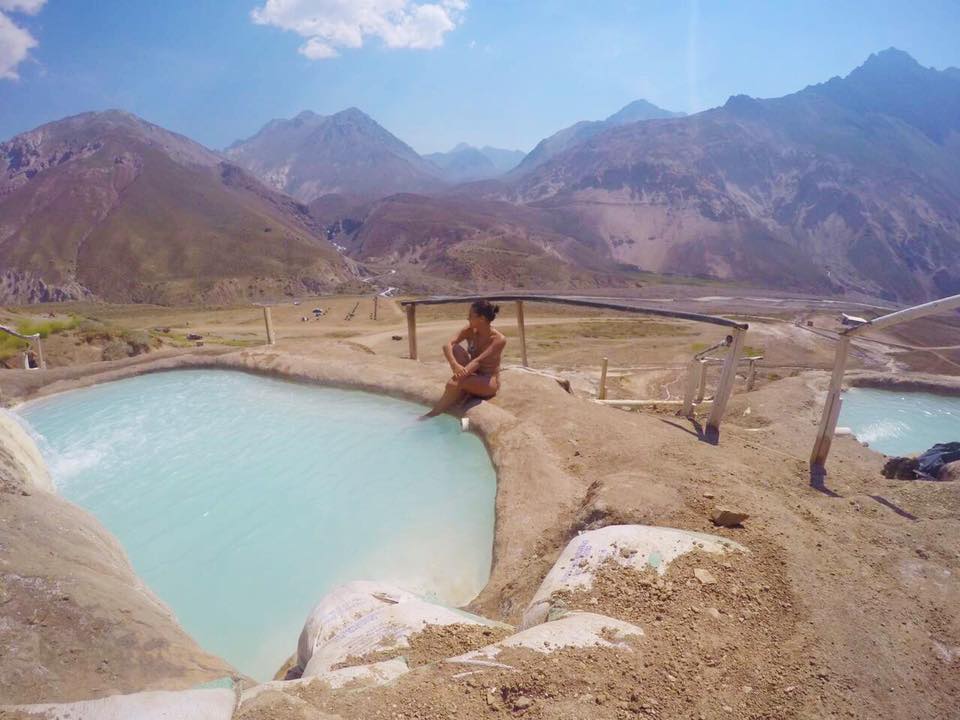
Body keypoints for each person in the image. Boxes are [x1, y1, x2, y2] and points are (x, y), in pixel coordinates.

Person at [421, 299, 507, 419]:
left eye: (471, 316)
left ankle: (432, 414)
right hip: (473, 371)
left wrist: (459, 378)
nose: (467, 319)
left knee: (453, 384)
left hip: (488, 381)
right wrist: (454, 364)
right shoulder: (469, 330)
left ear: (481, 319)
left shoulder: (498, 339)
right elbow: (448, 345)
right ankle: (463, 390)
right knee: (455, 348)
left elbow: (478, 362)